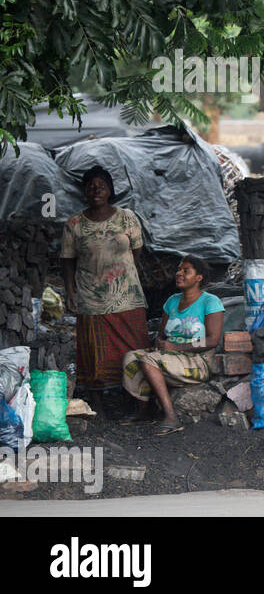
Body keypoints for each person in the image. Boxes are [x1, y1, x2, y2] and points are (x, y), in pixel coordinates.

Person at [61, 165, 149, 415]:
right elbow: (67, 260)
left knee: (133, 350)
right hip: (91, 297)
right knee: (93, 353)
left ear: (110, 190)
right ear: (84, 191)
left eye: (101, 185)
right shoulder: (74, 224)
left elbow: (137, 252)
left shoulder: (127, 218)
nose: (95, 189)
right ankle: (96, 405)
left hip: (127, 296)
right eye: (90, 185)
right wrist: (69, 291)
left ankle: (136, 402)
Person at [121, 256, 225, 435]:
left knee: (148, 360)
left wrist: (177, 348)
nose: (179, 273)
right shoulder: (172, 301)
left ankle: (171, 417)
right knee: (130, 357)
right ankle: (144, 408)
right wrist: (160, 344)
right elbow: (162, 335)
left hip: (198, 360)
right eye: (179, 269)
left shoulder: (210, 301)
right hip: (170, 356)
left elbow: (213, 340)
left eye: (186, 271)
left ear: (198, 278)